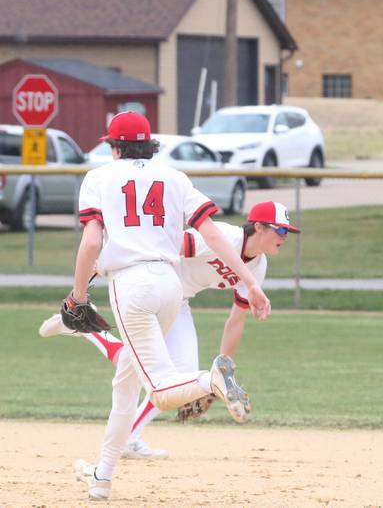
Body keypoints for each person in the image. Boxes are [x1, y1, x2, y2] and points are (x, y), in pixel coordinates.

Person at [66, 111, 269, 500]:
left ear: (114, 146)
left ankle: (210, 380)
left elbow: (92, 243)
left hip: (131, 286)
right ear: (150, 146)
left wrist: (78, 296)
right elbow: (212, 232)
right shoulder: (174, 178)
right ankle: (102, 478)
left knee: (159, 389)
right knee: (125, 384)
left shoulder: (99, 177)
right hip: (170, 285)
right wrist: (250, 280)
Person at [39, 201, 299, 460]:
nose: (284, 237)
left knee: (164, 373)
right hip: (155, 287)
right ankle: (127, 433)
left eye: (286, 232)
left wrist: (223, 374)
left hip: (179, 301)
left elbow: (236, 320)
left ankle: (84, 330)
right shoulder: (225, 237)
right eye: (281, 230)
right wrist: (114, 260)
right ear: (259, 227)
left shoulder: (258, 267)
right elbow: (168, 242)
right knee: (158, 372)